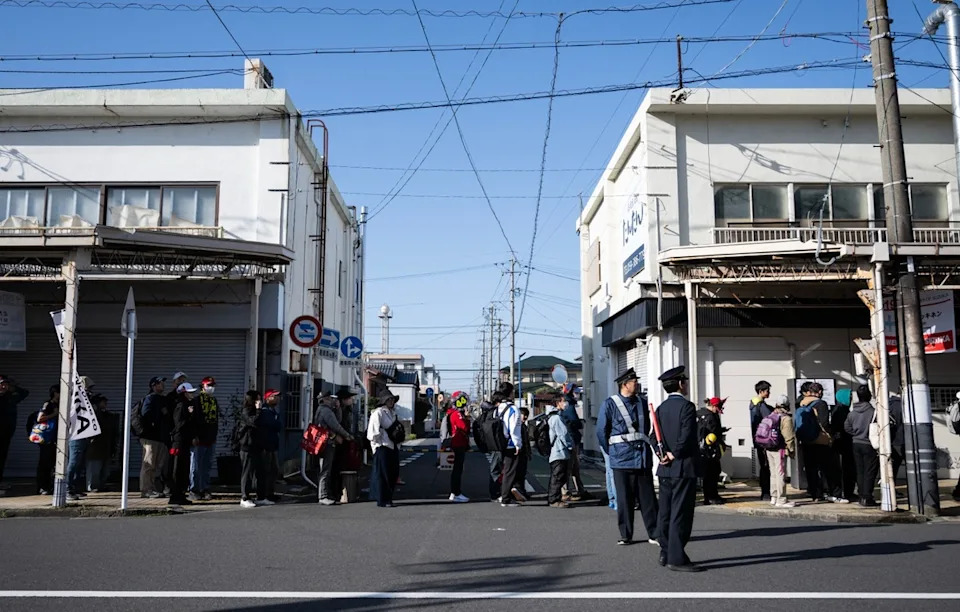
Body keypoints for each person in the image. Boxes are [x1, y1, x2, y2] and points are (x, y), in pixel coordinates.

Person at [596, 367, 659, 545]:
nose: (637, 384)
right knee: (625, 499)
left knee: (648, 500)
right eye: (634, 381)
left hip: (642, 457)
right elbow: (601, 431)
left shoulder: (642, 402)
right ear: (625, 385)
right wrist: (611, 452)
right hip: (621, 459)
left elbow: (649, 428)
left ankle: (654, 533)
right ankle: (626, 534)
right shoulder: (609, 404)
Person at [655, 365, 702, 572]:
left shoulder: (660, 408)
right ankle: (676, 557)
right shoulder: (687, 407)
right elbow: (687, 436)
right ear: (681, 384)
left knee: (665, 512)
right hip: (682, 467)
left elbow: (652, 436)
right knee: (680, 513)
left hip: (665, 468)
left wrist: (661, 454)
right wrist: (674, 454)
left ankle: (665, 551)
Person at [797, 382, 847, 503]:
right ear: (819, 392)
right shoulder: (821, 404)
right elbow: (824, 423)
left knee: (811, 469)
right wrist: (831, 434)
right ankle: (834, 494)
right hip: (820, 441)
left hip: (806, 441)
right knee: (830, 469)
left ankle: (816, 494)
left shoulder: (801, 403)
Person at [314, 392, 354, 505]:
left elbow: (337, 421)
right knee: (325, 469)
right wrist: (347, 435)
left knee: (325, 468)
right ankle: (323, 495)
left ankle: (324, 494)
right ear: (325, 399)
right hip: (326, 442)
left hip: (325, 442)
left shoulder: (324, 410)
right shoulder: (325, 411)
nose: (332, 400)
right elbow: (336, 425)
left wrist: (338, 409)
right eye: (330, 398)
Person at [844, 385, 879, 507]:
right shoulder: (874, 412)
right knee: (870, 471)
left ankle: (861, 495)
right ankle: (867, 497)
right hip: (869, 444)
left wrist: (856, 434)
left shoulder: (852, 413)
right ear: (869, 396)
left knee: (860, 470)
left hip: (856, 443)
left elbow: (847, 427)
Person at [367, 389, 401, 507]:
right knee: (383, 474)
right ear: (384, 401)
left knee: (393, 473)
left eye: (392, 399)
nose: (391, 401)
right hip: (382, 446)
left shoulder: (393, 413)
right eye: (389, 399)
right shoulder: (378, 413)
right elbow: (372, 433)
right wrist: (377, 445)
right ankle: (383, 499)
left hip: (393, 445)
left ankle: (389, 498)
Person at [189, 377, 219, 502]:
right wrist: (194, 436)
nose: (212, 387)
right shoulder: (196, 401)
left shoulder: (213, 401)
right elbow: (192, 420)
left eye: (213, 385)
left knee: (206, 466)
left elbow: (215, 419)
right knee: (195, 466)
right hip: (199, 438)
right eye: (209, 385)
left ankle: (205, 488)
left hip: (210, 438)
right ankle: (193, 489)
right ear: (203, 386)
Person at [496, 382, 525, 507]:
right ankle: (506, 498)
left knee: (503, 470)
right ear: (510, 393)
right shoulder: (513, 409)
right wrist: (518, 444)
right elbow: (514, 428)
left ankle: (502, 494)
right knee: (510, 471)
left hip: (499, 443)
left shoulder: (498, 408)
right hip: (510, 444)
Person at [168, 383, 198, 506]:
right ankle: (175, 495)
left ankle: (181, 494)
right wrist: (190, 415)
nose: (192, 394)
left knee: (184, 469)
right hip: (179, 442)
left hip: (185, 442)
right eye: (190, 392)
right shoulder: (180, 405)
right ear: (184, 393)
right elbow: (179, 425)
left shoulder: (188, 405)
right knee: (178, 469)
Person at [138, 376, 167, 499]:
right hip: (150, 437)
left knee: (156, 464)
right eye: (160, 383)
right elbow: (146, 414)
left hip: (159, 437)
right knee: (148, 463)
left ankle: (152, 488)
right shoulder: (150, 399)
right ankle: (146, 489)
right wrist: (158, 417)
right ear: (154, 386)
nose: (163, 385)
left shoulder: (161, 399)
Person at [0, 376, 30, 492]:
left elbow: (24, 393)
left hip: (6, 432)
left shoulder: (10, 397)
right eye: (1, 384)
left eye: (5, 384)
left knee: (2, 457)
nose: (3, 387)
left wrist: (12, 387)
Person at [559, 384, 588, 502]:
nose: (577, 393)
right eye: (575, 391)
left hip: (571, 439)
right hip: (571, 440)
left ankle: (579, 490)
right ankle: (565, 492)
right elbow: (574, 421)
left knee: (574, 467)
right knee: (569, 466)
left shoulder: (568, 404)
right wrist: (580, 424)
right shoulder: (569, 406)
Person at [767, 394, 797, 508]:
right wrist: (791, 450)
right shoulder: (786, 418)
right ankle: (782, 499)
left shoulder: (771, 415)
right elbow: (788, 437)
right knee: (781, 474)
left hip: (769, 448)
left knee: (773, 473)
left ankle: (774, 497)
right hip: (780, 449)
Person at [697, 397, 728, 506]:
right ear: (714, 406)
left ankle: (711, 495)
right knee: (712, 473)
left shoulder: (699, 414)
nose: (719, 410)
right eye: (719, 407)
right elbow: (712, 432)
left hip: (701, 449)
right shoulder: (710, 416)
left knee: (709, 473)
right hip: (710, 450)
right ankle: (711, 497)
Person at [85, 395, 118, 492]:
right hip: (95, 446)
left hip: (106, 446)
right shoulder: (93, 415)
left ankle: (101, 485)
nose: (105, 405)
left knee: (105, 469)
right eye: (103, 402)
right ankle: (92, 486)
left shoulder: (107, 415)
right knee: (94, 468)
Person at [546, 396, 574, 509]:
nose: (565, 403)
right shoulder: (556, 418)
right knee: (558, 476)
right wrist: (570, 446)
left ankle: (555, 497)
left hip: (557, 451)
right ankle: (554, 499)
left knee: (559, 476)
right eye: (563, 401)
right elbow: (563, 434)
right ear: (558, 403)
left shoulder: (554, 416)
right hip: (559, 451)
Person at [832, 388, 857, 503]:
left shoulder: (839, 409)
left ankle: (847, 492)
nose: (851, 399)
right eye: (849, 397)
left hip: (842, 444)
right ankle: (847, 492)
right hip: (845, 444)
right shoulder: (842, 411)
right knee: (847, 469)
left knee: (846, 469)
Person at [258, 389, 284, 503]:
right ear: (268, 398)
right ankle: (264, 494)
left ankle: (270, 493)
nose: (277, 399)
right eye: (275, 396)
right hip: (266, 445)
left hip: (273, 444)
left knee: (274, 470)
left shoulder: (273, 411)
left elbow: (278, 425)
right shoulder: (265, 411)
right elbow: (274, 425)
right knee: (267, 470)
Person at [446, 391, 471, 503]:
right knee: (457, 470)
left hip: (457, 443)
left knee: (457, 469)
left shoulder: (452, 413)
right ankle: (456, 492)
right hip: (458, 444)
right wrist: (467, 417)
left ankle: (454, 492)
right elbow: (464, 427)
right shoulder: (457, 414)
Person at [749, 381, 773, 501]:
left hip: (757, 440)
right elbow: (770, 419)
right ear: (760, 391)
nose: (769, 392)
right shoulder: (761, 405)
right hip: (764, 441)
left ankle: (765, 491)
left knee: (763, 466)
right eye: (767, 390)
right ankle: (766, 492)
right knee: (766, 467)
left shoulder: (753, 404)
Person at [34, 385, 59, 495]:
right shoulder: (48, 404)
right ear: (55, 393)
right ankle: (42, 486)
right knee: (45, 463)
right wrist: (54, 414)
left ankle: (50, 486)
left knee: (53, 464)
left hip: (56, 438)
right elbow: (40, 418)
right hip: (47, 438)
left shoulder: (60, 404)